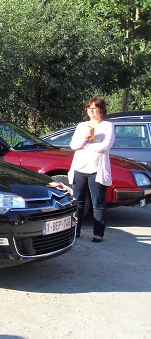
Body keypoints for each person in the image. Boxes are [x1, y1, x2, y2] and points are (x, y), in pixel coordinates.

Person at [68, 97, 115, 243]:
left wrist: (86, 146)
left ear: (101, 110)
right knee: (78, 201)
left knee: (98, 203)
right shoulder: (82, 126)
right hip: (80, 169)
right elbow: (73, 145)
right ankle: (75, 231)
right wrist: (85, 138)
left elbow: (105, 146)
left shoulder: (107, 126)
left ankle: (98, 233)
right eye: (89, 108)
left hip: (97, 171)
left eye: (94, 108)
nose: (91, 110)